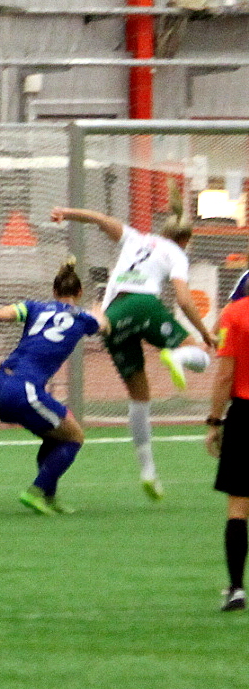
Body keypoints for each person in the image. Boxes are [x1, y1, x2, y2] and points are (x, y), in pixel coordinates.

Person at [50, 204, 216, 499]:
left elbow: (100, 218)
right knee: (202, 359)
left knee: (140, 398)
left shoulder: (135, 237)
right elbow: (183, 299)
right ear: (185, 240)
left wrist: (65, 212)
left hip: (112, 318)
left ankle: (148, 471)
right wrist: (204, 333)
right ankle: (176, 356)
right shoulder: (176, 253)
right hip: (144, 305)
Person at [0, 258, 109, 515]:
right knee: (74, 437)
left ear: (54, 291)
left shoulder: (34, 307)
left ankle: (48, 497)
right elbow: (104, 327)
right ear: (79, 292)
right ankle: (36, 491)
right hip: (24, 390)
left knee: (54, 436)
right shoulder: (83, 318)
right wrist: (99, 314)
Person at [204, 269, 249, 611]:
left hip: (245, 415)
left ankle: (236, 589)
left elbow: (224, 375)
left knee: (238, 506)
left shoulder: (234, 314)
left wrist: (214, 421)